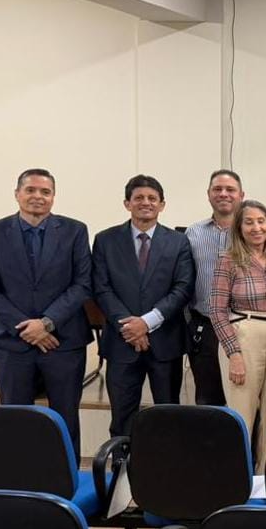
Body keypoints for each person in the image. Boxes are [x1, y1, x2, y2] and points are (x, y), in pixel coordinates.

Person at [0, 169, 92, 459]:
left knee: (65, 419)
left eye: (45, 192)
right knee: (14, 419)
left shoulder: (75, 231)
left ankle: (67, 479)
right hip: (12, 343)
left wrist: (47, 323)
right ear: (17, 194)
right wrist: (27, 328)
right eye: (31, 190)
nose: (38, 196)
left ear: (53, 196)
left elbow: (83, 284)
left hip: (63, 342)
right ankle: (17, 479)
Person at [92, 174, 194, 437]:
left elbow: (183, 288)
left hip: (165, 343)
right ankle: (122, 461)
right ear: (127, 203)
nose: (145, 202)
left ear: (162, 204)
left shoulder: (179, 241)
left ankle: (166, 461)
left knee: (168, 417)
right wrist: (130, 327)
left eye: (152, 198)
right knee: (122, 418)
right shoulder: (105, 240)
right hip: (121, 342)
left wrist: (146, 323)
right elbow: (101, 288)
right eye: (138, 198)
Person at [210, 201, 266, 472]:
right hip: (245, 336)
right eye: (249, 222)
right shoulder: (228, 260)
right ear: (239, 227)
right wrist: (234, 354)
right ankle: (237, 477)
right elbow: (216, 310)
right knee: (243, 414)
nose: (256, 227)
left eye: (261, 221)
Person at [185, 169, 244, 405]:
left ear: (241, 195)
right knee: (208, 400)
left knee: (244, 399)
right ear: (208, 194)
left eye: (230, 189)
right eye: (217, 189)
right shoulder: (193, 233)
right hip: (205, 327)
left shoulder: (252, 231)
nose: (223, 194)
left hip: (243, 326)